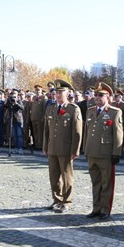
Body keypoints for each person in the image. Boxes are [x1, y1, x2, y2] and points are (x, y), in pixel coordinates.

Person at [83, 83, 123, 220]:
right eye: (96, 95)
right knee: (95, 183)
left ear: (108, 97)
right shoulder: (91, 111)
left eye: (101, 95)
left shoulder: (114, 112)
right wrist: (85, 149)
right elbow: (86, 132)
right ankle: (96, 208)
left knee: (106, 183)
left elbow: (118, 133)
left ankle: (105, 209)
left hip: (106, 154)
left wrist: (116, 152)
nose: (97, 97)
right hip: (92, 153)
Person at [43, 79, 83, 213]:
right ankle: (57, 199)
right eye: (56, 92)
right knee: (54, 176)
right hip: (53, 148)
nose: (58, 95)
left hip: (66, 149)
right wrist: (45, 146)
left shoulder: (73, 109)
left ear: (68, 93)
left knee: (67, 176)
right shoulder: (51, 108)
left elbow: (77, 132)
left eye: (61, 92)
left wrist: (75, 150)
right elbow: (46, 130)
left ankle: (67, 201)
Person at [30, 85, 47, 150]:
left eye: (38, 90)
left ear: (41, 90)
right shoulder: (34, 97)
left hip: (40, 118)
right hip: (34, 117)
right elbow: (32, 107)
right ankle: (36, 143)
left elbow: (44, 108)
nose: (37, 91)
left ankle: (40, 144)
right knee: (35, 131)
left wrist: (43, 117)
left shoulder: (43, 97)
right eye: (36, 90)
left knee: (40, 132)